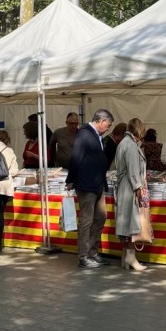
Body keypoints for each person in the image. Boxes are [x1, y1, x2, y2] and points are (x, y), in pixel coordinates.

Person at [66, 109, 114, 268]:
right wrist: (71, 179)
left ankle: (93, 252)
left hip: (97, 184)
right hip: (87, 185)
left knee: (100, 217)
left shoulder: (95, 135)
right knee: (87, 220)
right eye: (108, 125)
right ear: (101, 121)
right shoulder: (84, 134)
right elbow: (76, 157)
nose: (108, 128)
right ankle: (84, 256)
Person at [114, 118, 149, 272]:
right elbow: (134, 170)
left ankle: (126, 256)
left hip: (124, 187)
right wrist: (138, 189)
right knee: (132, 223)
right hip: (130, 188)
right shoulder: (131, 146)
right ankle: (130, 256)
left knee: (127, 222)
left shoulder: (124, 143)